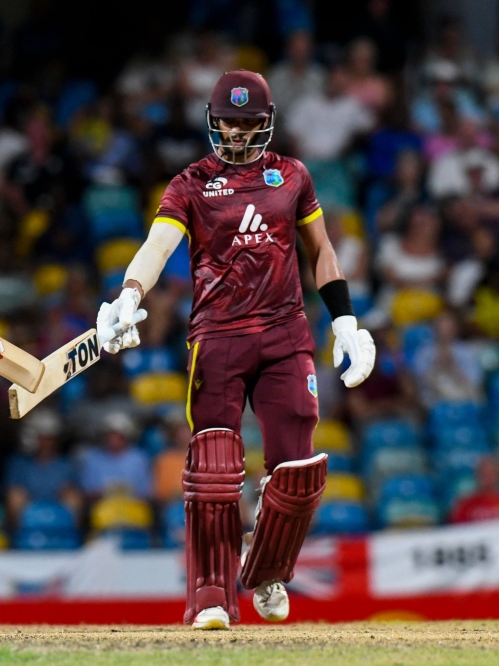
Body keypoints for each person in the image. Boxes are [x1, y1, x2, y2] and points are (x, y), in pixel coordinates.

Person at [97, 71, 376, 629]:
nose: (239, 133)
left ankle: (267, 568)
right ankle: (210, 595)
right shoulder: (190, 183)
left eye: (249, 123)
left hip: (285, 334)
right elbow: (158, 245)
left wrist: (345, 321)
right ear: (212, 119)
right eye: (229, 121)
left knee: (296, 468)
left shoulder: (292, 175)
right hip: (218, 338)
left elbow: (321, 249)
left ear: (266, 123)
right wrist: (128, 294)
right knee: (215, 469)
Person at [79, 411, 151, 500]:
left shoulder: (139, 459)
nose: (114, 441)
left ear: (126, 437)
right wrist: (106, 492)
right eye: (110, 436)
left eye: (118, 437)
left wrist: (126, 492)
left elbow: (146, 492)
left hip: (133, 505)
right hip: (101, 506)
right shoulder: (93, 459)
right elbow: (87, 491)